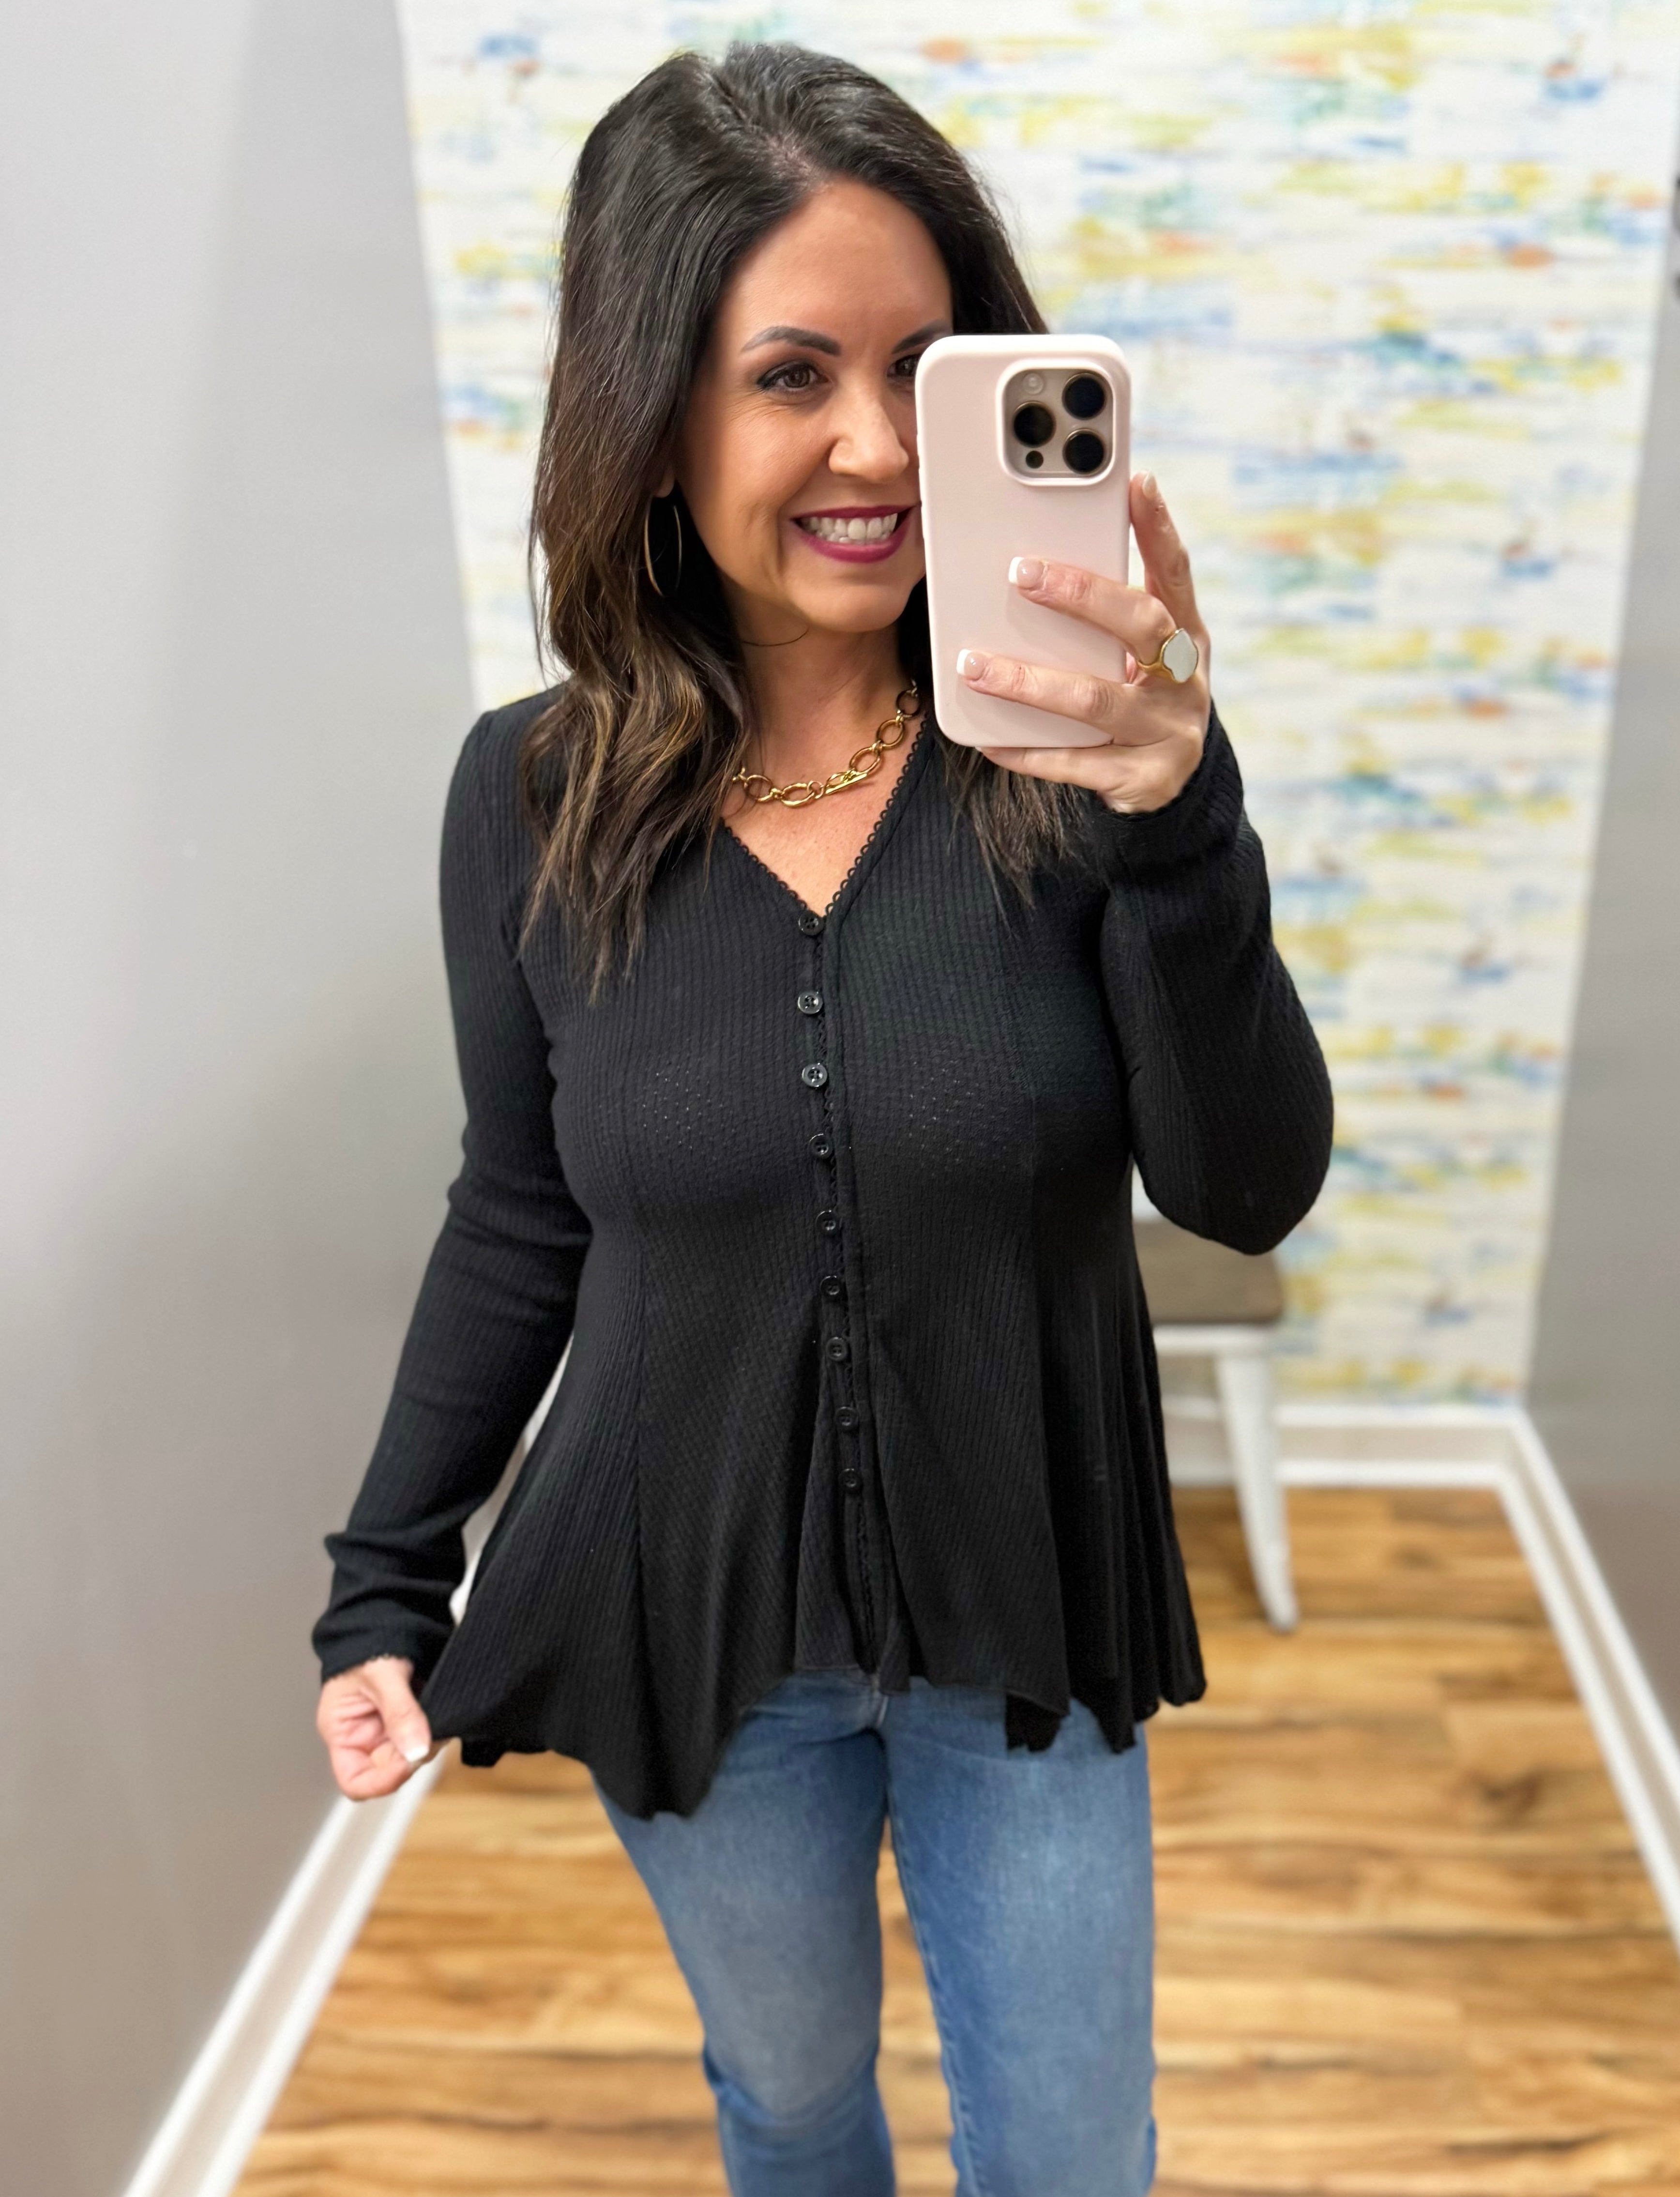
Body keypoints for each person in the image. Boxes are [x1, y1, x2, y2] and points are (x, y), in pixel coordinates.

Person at [311, 40, 1332, 2197]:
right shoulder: (527, 797)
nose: (873, 444)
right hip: (690, 1612)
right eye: (791, 374)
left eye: (924, 367)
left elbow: (1239, 1189)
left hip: (1024, 1609)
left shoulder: (1072, 765)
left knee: (1069, 2153)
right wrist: (384, 1580)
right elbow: (518, 1216)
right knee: (785, 2103)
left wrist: (1179, 805)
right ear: (656, 412)